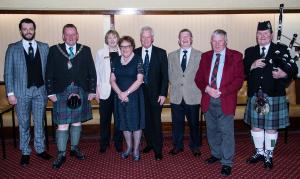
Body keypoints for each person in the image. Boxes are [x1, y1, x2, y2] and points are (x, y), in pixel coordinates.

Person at [243, 21, 298, 170]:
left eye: (266, 34)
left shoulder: (281, 49)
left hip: (274, 96)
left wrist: (284, 73)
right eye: (260, 34)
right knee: (256, 127)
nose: (263, 36)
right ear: (256, 36)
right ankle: (259, 152)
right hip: (256, 95)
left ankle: (269, 153)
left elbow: (293, 67)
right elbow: (242, 71)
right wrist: (251, 66)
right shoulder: (250, 51)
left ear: (271, 35)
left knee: (272, 129)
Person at [45, 24, 97, 169]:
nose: (70, 37)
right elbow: (48, 73)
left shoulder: (85, 50)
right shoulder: (54, 50)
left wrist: (92, 90)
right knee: (62, 124)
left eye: (73, 34)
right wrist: (50, 93)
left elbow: (91, 72)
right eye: (67, 34)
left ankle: (74, 148)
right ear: (63, 36)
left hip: (81, 90)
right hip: (61, 92)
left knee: (77, 122)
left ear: (77, 35)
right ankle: (61, 153)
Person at [4, 18, 53, 167]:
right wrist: (10, 93)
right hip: (20, 93)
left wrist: (50, 90)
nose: (28, 31)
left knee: (39, 122)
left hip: (40, 91)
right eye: (25, 29)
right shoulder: (12, 48)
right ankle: (25, 151)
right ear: (21, 31)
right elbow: (8, 73)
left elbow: (49, 71)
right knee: (24, 124)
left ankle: (39, 149)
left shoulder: (45, 47)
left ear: (34, 29)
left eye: (30, 28)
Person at [195, 29, 244, 176]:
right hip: (208, 99)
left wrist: (221, 90)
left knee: (226, 132)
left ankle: (227, 162)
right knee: (212, 131)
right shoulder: (205, 56)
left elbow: (239, 80)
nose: (216, 44)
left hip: (225, 99)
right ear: (211, 42)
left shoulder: (235, 56)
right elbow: (198, 79)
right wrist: (207, 89)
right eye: (214, 41)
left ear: (226, 41)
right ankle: (216, 154)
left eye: (220, 41)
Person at [134, 26, 168, 160]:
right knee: (145, 121)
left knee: (156, 122)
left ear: (152, 38)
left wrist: (163, 93)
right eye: (143, 37)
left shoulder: (161, 53)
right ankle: (150, 144)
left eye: (148, 37)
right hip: (139, 94)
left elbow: (165, 76)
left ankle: (158, 149)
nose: (146, 39)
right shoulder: (135, 52)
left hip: (156, 95)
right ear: (140, 38)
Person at [168, 29, 202, 157]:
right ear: (178, 40)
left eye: (187, 36)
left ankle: (195, 146)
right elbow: (169, 74)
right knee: (177, 124)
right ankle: (177, 146)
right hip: (176, 95)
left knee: (194, 123)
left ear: (191, 39)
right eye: (182, 36)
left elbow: (202, 76)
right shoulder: (171, 56)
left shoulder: (200, 55)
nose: (185, 38)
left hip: (193, 95)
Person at [110, 36, 145, 161]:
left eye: (128, 46)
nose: (125, 49)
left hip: (134, 96)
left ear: (132, 47)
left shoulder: (137, 59)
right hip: (120, 97)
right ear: (119, 48)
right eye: (122, 46)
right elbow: (112, 79)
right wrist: (120, 93)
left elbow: (140, 80)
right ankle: (129, 147)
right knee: (124, 123)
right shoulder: (115, 60)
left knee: (135, 124)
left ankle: (136, 149)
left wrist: (126, 93)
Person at [95, 30, 123, 153]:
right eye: (109, 37)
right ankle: (104, 143)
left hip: (119, 91)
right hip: (105, 91)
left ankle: (118, 143)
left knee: (119, 118)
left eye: (114, 37)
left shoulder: (123, 52)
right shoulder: (100, 53)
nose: (112, 40)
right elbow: (96, 72)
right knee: (104, 119)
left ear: (118, 39)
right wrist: (96, 90)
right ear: (106, 39)